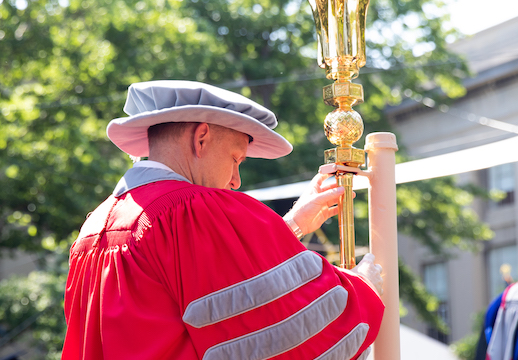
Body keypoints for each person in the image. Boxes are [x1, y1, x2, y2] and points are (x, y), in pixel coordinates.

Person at [61, 80, 386, 359]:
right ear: (201, 138)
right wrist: (363, 287)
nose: (236, 180)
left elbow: (202, 284)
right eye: (235, 159)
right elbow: (278, 336)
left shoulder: (95, 227)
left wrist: (293, 224)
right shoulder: (192, 210)